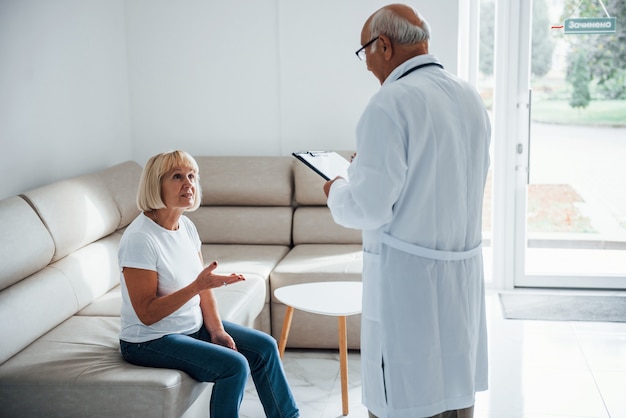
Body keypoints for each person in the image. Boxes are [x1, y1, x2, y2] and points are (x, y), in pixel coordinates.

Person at [323, 4, 490, 418]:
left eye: (366, 53)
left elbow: (368, 207)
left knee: (405, 396)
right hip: (459, 276)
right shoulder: (469, 95)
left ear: (384, 45)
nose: (366, 66)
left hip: (408, 282)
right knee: (453, 391)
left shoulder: (389, 103)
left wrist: (338, 186)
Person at [118, 150, 299, 418]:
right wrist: (196, 286)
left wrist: (215, 330)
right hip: (148, 340)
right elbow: (146, 314)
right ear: (155, 185)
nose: (188, 183)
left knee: (265, 348)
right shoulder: (140, 239)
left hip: (191, 328)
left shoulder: (186, 227)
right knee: (235, 366)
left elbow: (204, 286)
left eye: (192, 176)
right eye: (177, 176)